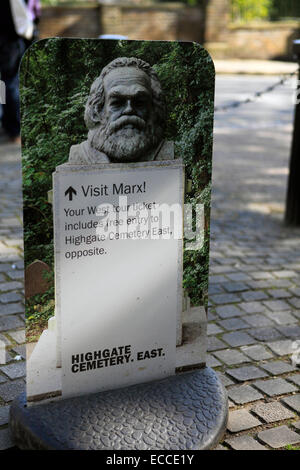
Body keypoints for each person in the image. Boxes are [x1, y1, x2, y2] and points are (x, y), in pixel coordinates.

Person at [69, 57, 175, 164]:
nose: (129, 109)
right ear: (98, 110)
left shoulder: (166, 152)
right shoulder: (80, 155)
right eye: (117, 103)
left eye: (139, 102)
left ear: (154, 109)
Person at [0, 0, 34, 143]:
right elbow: (21, 15)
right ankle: (14, 129)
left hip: (8, 38)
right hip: (10, 39)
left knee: (4, 84)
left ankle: (8, 124)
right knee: (10, 83)